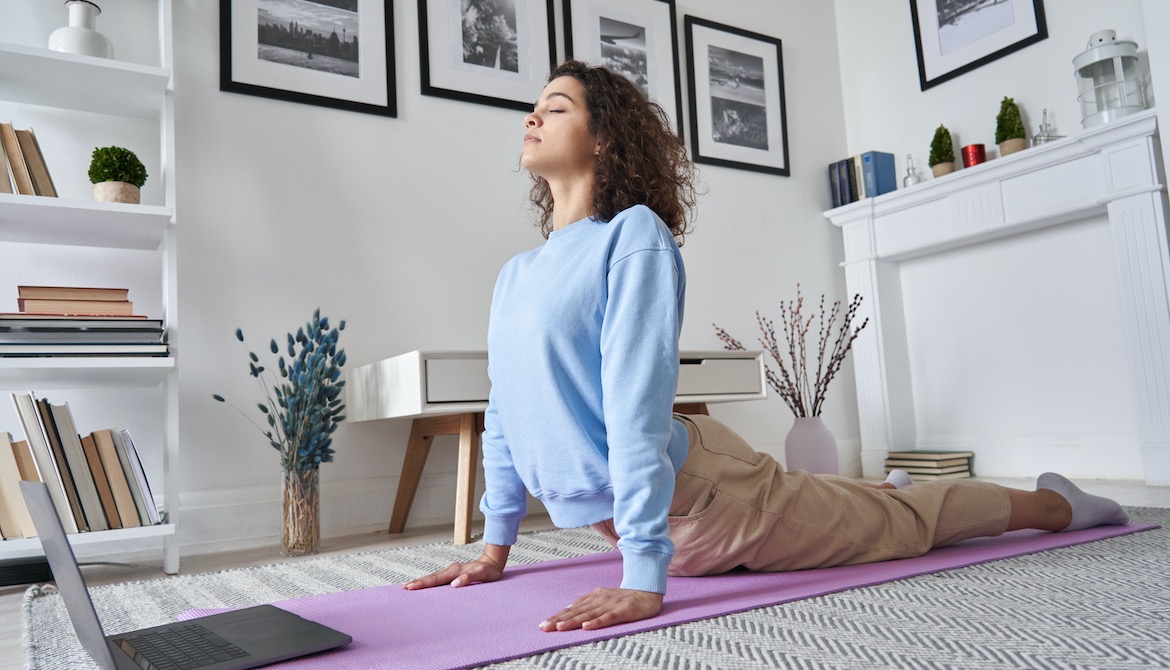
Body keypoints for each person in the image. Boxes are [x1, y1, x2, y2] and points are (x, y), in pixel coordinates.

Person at [403, 60, 1130, 632]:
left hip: (710, 502)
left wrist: (644, 576)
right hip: (674, 493)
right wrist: (493, 551)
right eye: (536, 105)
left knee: (902, 528)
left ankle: (1055, 506)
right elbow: (505, 411)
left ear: (604, 139)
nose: (533, 114)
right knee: (832, 504)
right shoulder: (517, 275)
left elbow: (636, 403)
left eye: (556, 106)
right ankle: (873, 490)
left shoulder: (631, 240)